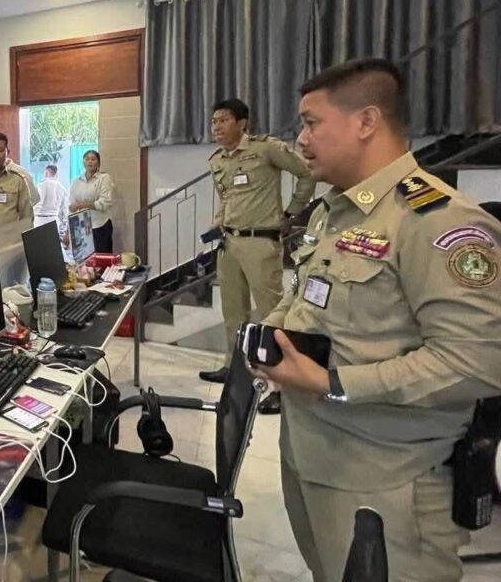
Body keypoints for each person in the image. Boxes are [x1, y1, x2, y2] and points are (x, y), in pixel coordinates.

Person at [253, 58, 501, 582]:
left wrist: (333, 383)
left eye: (311, 123)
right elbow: (306, 295)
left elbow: (477, 362)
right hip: (312, 455)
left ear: (366, 121)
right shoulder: (335, 211)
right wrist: (272, 335)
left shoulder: (436, 220)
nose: (301, 140)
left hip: (385, 481)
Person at [200, 99, 315, 397]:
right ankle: (234, 366)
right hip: (228, 243)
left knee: (271, 312)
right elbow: (227, 199)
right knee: (233, 312)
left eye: (223, 120)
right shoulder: (217, 161)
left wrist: (292, 212)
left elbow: (306, 173)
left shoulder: (266, 149)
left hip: (260, 242)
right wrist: (217, 226)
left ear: (242, 123)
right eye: (214, 121)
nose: (216, 126)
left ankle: (280, 384)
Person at [69, 150, 116, 253]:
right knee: (85, 258)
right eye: (87, 159)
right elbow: (71, 206)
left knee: (101, 257)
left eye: (93, 159)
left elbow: (105, 202)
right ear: (83, 163)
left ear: (98, 163)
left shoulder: (104, 178)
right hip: (81, 228)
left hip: (100, 225)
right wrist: (68, 230)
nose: (90, 161)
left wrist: (82, 205)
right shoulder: (77, 181)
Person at [34, 164, 68, 233]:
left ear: (46, 173)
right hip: (54, 220)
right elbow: (65, 209)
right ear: (56, 173)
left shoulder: (41, 185)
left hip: (39, 220)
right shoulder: (62, 188)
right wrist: (65, 224)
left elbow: (35, 202)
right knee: (53, 239)